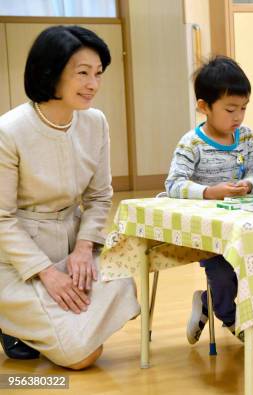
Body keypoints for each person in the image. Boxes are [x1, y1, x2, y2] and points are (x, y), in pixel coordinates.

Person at [0, 25, 139, 369]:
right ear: (51, 72)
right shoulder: (9, 131)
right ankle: (15, 319)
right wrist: (46, 272)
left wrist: (83, 247)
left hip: (73, 242)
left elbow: (99, 197)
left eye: (98, 74)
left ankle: (32, 324)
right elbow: (2, 218)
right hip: (19, 257)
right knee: (82, 356)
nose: (92, 84)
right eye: (82, 73)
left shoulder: (95, 123)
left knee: (123, 277)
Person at [165, 56, 253, 344]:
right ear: (204, 107)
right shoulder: (191, 143)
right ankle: (230, 317)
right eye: (230, 109)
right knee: (222, 272)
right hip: (209, 230)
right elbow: (173, 185)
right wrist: (209, 191)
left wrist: (248, 184)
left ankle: (207, 302)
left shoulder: (246, 137)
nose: (238, 117)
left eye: (243, 108)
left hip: (242, 222)